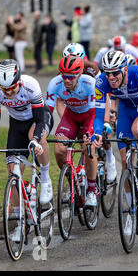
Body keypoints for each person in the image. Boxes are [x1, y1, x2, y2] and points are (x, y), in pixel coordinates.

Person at [0, 59, 54, 240]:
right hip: (16, 125)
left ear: (19, 81)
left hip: (38, 120)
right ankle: (21, 223)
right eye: (5, 90)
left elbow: (40, 119)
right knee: (13, 174)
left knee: (34, 138)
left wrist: (36, 140)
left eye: (12, 87)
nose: (10, 92)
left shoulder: (31, 85)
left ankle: (45, 178)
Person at [93, 50, 138, 203]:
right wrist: (97, 133)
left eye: (115, 73)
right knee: (125, 163)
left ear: (124, 69)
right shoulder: (101, 82)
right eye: (107, 73)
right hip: (125, 111)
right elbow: (98, 115)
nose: (111, 77)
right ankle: (130, 210)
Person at [45, 55, 99, 207]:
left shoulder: (89, 83)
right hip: (72, 116)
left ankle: (91, 190)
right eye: (64, 76)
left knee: (88, 147)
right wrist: (41, 131)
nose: (67, 80)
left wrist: (102, 126)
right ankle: (73, 182)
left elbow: (101, 106)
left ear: (80, 73)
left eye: (71, 76)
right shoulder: (55, 84)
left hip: (90, 114)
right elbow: (46, 112)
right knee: (59, 149)